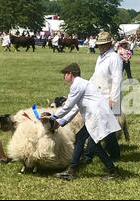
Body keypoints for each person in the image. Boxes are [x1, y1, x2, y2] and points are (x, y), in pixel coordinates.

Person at [51, 63, 121, 181]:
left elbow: (68, 106)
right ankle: (71, 170)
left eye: (65, 74)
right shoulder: (81, 84)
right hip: (96, 116)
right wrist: (62, 120)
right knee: (80, 137)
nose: (64, 77)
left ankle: (113, 172)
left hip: (97, 117)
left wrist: (53, 117)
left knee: (95, 146)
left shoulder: (77, 85)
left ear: (70, 74)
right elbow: (75, 107)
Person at [84, 32, 123, 162]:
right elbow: (96, 76)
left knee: (96, 125)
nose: (99, 47)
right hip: (99, 96)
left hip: (109, 97)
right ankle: (115, 154)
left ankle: (88, 155)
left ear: (108, 44)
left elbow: (117, 80)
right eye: (98, 45)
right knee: (108, 128)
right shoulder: (101, 57)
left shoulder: (114, 58)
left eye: (101, 45)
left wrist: (113, 100)